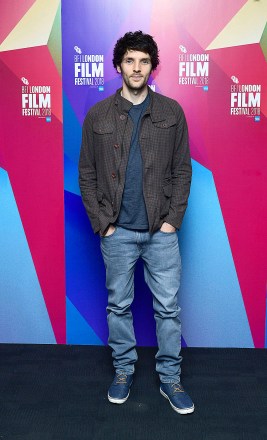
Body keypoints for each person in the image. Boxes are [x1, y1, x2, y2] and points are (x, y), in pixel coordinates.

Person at [79, 31, 194, 414]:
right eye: (130, 60)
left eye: (144, 61)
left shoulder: (171, 112)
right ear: (118, 65)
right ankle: (124, 370)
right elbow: (86, 173)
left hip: (160, 230)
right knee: (119, 306)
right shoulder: (98, 115)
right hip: (117, 231)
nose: (136, 68)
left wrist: (172, 221)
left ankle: (170, 378)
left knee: (168, 309)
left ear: (152, 66)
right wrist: (102, 223)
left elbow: (182, 170)